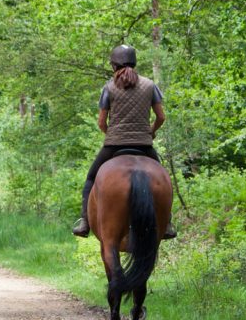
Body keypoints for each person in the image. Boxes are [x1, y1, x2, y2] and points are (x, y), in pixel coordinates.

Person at [72, 45, 177, 239]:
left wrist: (110, 133)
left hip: (114, 146)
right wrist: (150, 132)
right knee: (164, 180)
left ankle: (84, 222)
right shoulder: (149, 85)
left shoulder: (109, 87)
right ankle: (168, 222)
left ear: (114, 65)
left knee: (90, 179)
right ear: (134, 62)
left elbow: (101, 121)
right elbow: (161, 117)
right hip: (144, 146)